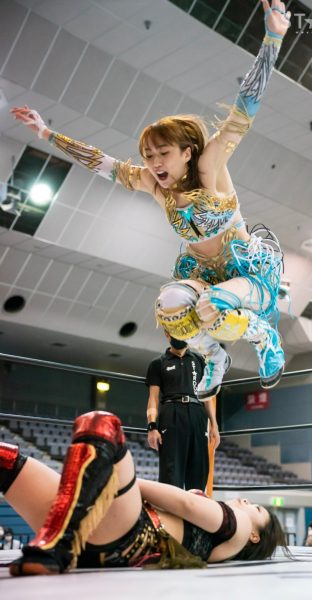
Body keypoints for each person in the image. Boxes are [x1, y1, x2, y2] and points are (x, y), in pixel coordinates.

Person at [11, 1, 291, 401]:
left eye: (163, 153)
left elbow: (243, 111)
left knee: (212, 304)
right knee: (170, 303)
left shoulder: (211, 166)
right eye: (148, 156)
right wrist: (46, 134)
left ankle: (264, 338)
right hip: (204, 272)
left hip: (245, 273)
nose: (154, 163)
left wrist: (273, 39)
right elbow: (102, 163)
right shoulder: (153, 184)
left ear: (187, 153)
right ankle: (214, 357)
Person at [0, 410, 288, 576]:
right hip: (108, 540)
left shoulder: (240, 527)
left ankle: (57, 544)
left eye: (257, 508)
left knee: (101, 423)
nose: (247, 501)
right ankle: (56, 543)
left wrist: (104, 480)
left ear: (255, 536)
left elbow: (185, 503)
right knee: (6, 462)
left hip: (129, 532)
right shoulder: (220, 544)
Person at [146, 332, 219, 490]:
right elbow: (153, 398)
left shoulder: (199, 360)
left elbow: (206, 396)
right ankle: (170, 506)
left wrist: (214, 425)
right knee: (171, 474)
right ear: (167, 334)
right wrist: (152, 426)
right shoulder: (158, 363)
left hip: (197, 413)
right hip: (171, 414)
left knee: (199, 472)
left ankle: (196, 506)